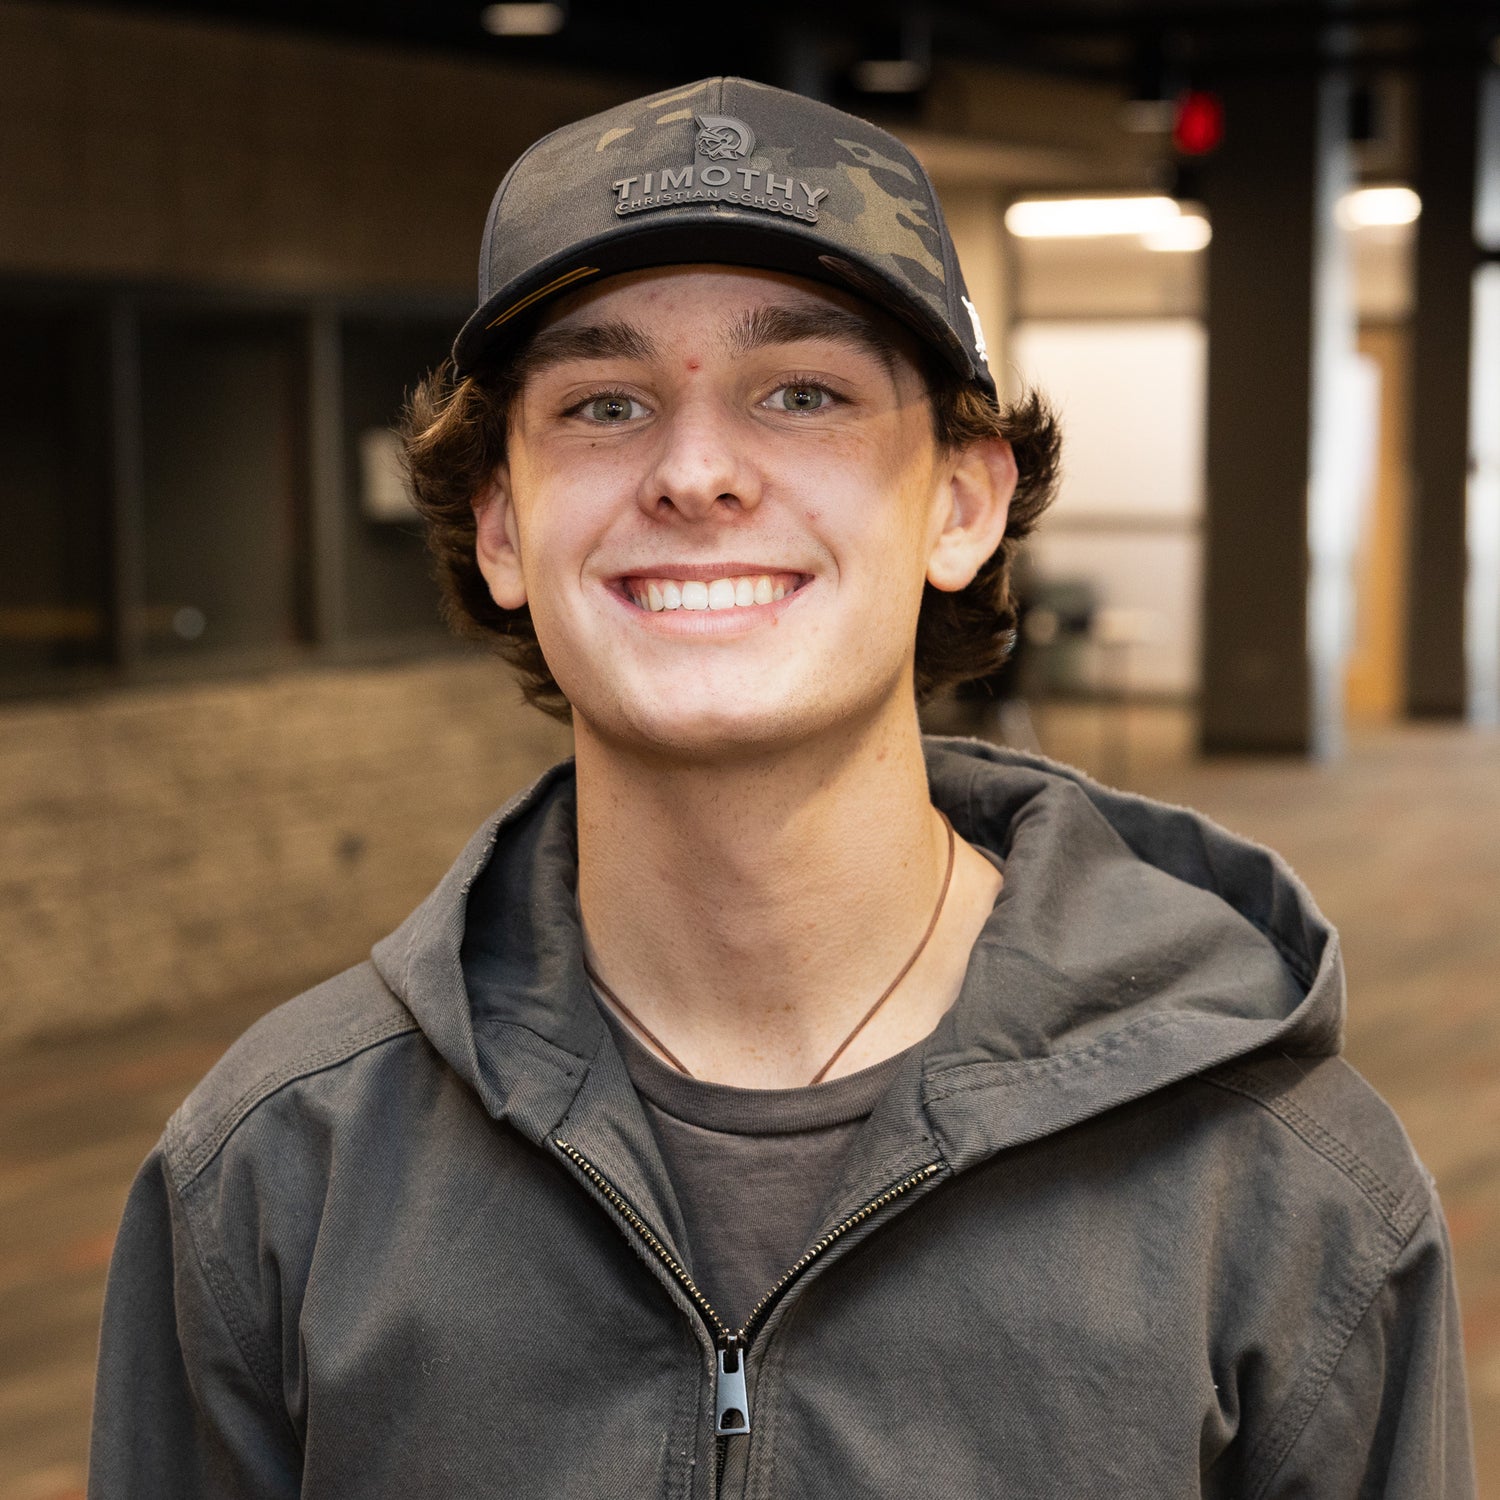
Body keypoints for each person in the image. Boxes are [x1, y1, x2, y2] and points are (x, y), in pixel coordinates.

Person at [90, 77, 1474, 1498]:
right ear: (501, 526)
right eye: (604, 402)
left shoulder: (1284, 1194)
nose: (695, 471)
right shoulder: (275, 1179)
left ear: (963, 503)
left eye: (802, 391)